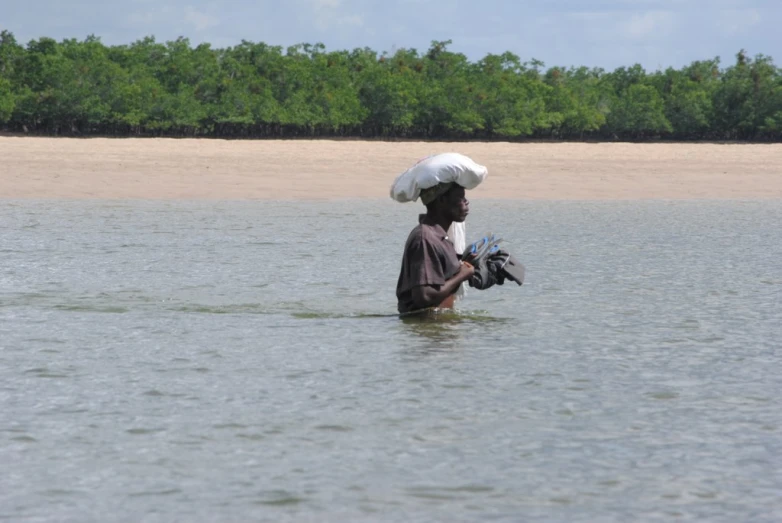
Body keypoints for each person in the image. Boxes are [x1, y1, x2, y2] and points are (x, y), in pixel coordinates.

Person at [396, 182, 476, 314]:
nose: (466, 202)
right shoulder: (425, 238)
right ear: (442, 200)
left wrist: (466, 266)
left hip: (437, 326)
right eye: (461, 198)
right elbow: (425, 297)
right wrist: (462, 275)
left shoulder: (441, 237)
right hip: (426, 328)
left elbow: (443, 281)